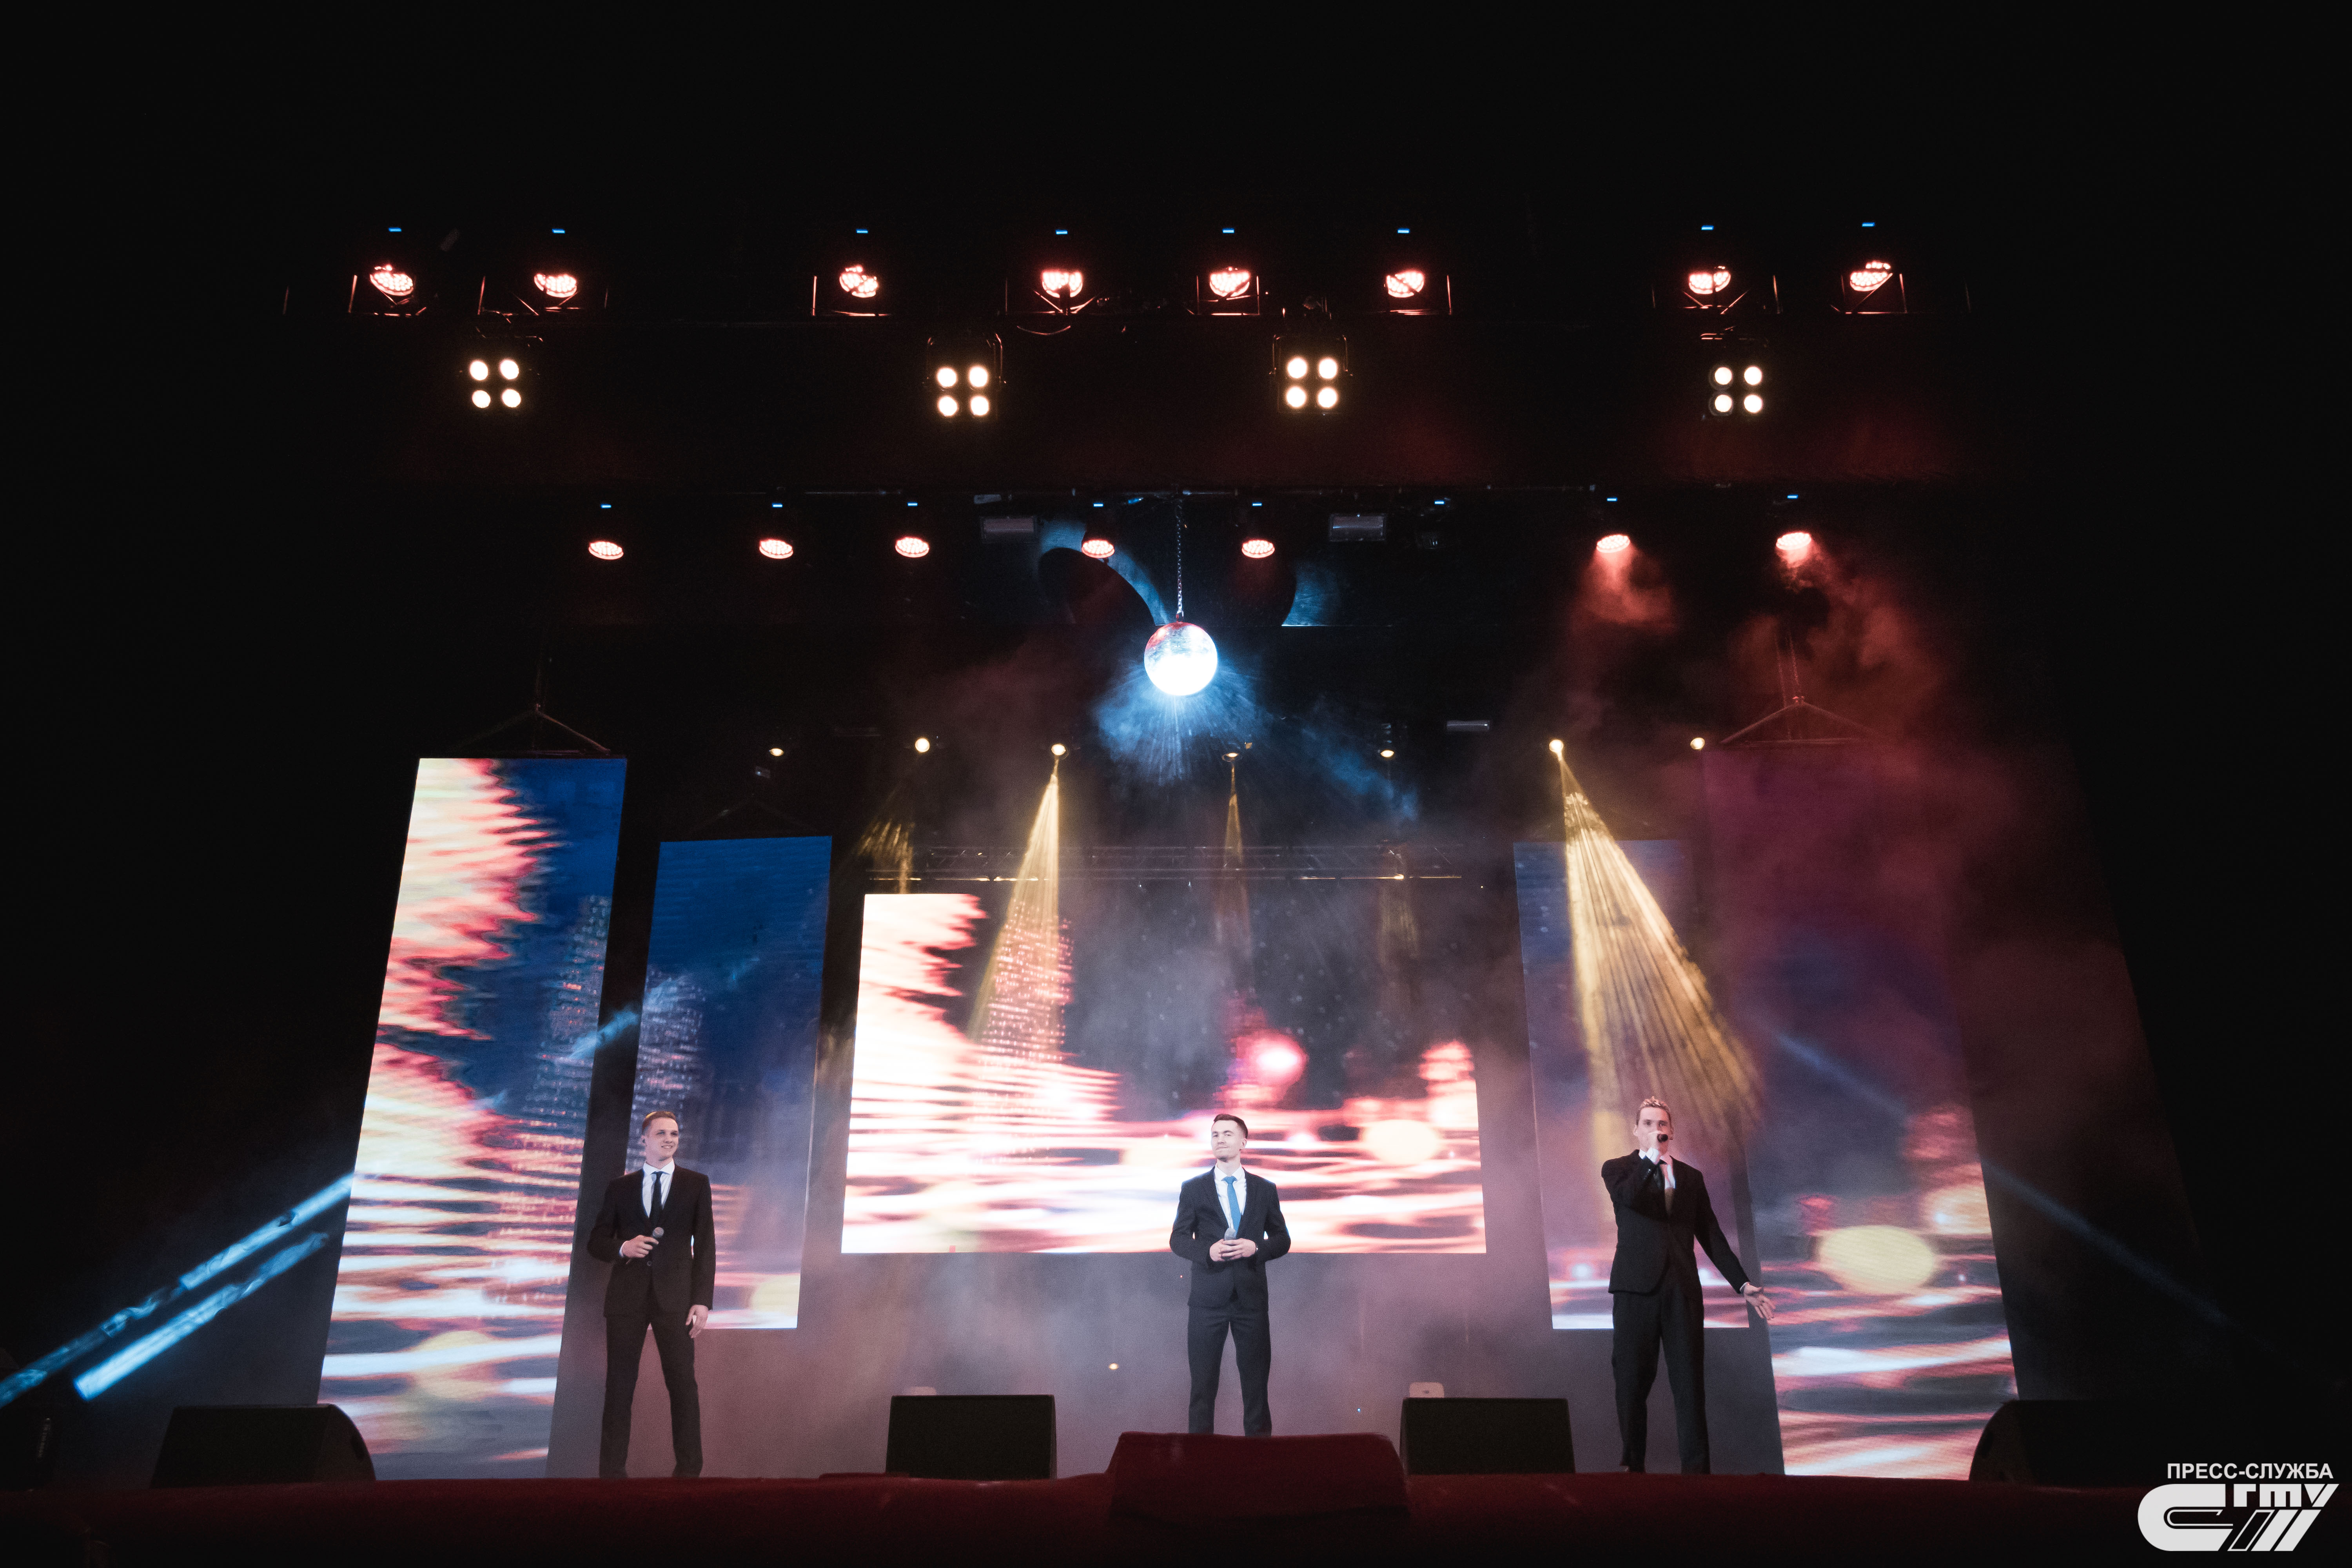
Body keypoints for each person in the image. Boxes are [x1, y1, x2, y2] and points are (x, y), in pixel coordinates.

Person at [1602, 1096, 1773, 1474]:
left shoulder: (1691, 1178)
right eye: (1648, 1124)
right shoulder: (1618, 1169)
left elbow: (1711, 1236)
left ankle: (1697, 1474)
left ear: (1672, 1131)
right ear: (1636, 1130)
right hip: (1635, 1290)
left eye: (1662, 1124)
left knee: (1689, 1384)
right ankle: (1632, 1468)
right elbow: (1629, 1198)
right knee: (1631, 1381)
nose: (1656, 1130)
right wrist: (1651, 1158)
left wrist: (1743, 1284)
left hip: (1681, 1292)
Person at [588, 1110, 715, 1477]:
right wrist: (623, 1248)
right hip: (627, 1297)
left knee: (682, 1384)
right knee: (619, 1386)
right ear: (643, 1139)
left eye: (674, 1133)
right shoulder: (620, 1188)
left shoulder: (696, 1184)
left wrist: (702, 1299)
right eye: (661, 1133)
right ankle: (612, 1474)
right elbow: (596, 1241)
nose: (670, 1139)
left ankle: (689, 1472)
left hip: (676, 1298)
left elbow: (706, 1246)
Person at [1169, 1112, 1291, 1435]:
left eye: (1227, 1134)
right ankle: (1200, 1459)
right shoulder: (1194, 1189)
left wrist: (1256, 1248)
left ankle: (1259, 1458)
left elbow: (1282, 1239)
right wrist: (1207, 1252)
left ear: (1243, 1143)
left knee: (1256, 1388)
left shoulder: (1265, 1189)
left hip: (1251, 1301)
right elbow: (1178, 1239)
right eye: (1215, 1135)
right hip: (1207, 1302)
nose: (1220, 1139)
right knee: (1203, 1387)